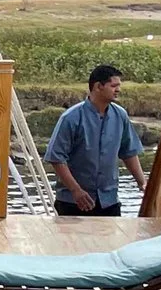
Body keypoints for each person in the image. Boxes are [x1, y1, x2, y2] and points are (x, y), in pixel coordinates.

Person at [45, 64, 147, 216]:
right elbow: (56, 157)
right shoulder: (71, 118)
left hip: (109, 200)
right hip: (73, 201)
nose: (118, 90)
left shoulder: (120, 115)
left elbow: (129, 152)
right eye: (114, 86)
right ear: (98, 86)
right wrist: (76, 190)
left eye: (119, 86)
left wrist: (142, 182)